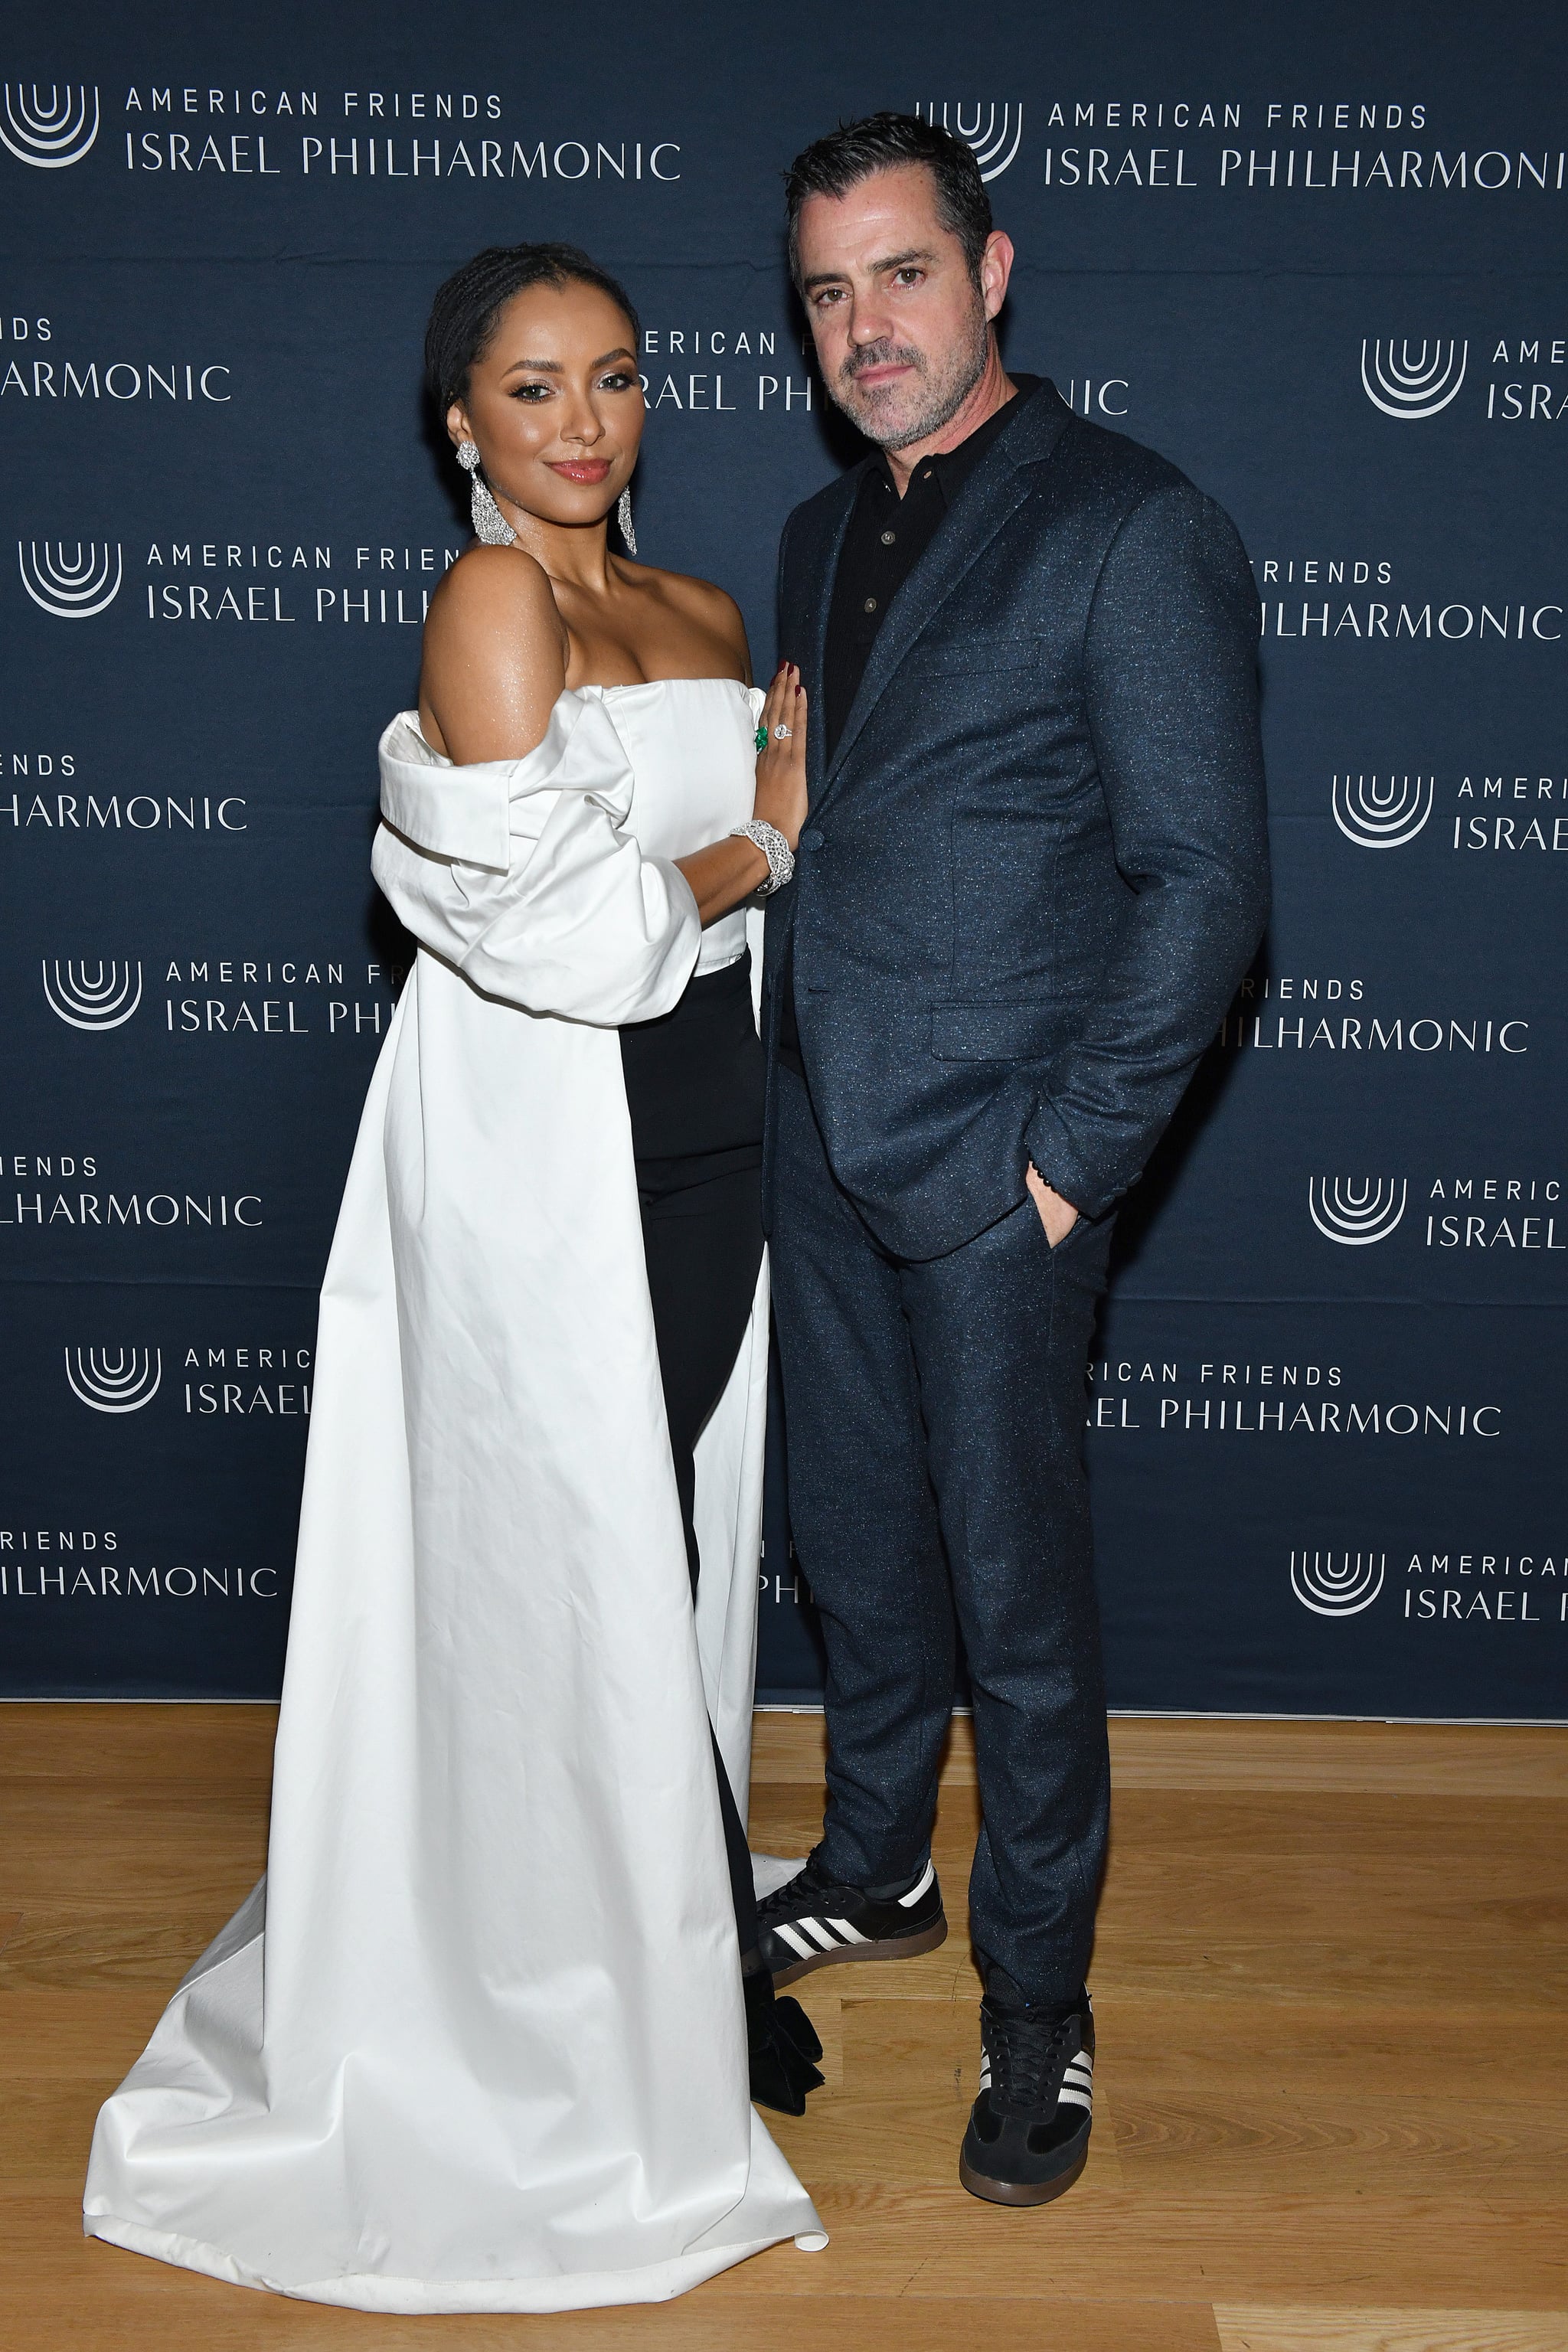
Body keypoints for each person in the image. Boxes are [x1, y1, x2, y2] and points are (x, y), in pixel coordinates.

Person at [83, 242, 828, 2313]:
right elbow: (581, 943)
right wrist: (756, 845)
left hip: (702, 1142)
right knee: (554, 1557)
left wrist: (731, 888)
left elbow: (680, 936)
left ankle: (670, 1942)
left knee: (664, 1546)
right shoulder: (491, 602)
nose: (581, 423)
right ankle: (571, 1999)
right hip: (533, 1165)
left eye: (613, 379)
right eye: (531, 389)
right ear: (459, 425)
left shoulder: (695, 611)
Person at [754, 117, 1270, 2207]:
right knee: (860, 1553)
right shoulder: (811, 534)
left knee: (1022, 1621)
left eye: (901, 274)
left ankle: (1035, 2012)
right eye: (825, 291)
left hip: (996, 1177)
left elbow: (1209, 883)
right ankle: (877, 1867)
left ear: (994, 273)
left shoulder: (1132, 524)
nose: (864, 326)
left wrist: (1067, 1169)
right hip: (822, 1137)